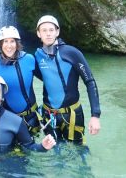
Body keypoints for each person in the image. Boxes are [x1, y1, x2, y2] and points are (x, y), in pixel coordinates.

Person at [35, 15, 101, 145]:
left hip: (72, 114)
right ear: (38, 33)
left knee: (79, 151)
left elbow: (90, 82)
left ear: (57, 32)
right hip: (49, 114)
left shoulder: (71, 53)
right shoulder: (37, 56)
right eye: (44, 30)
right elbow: (44, 78)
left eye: (51, 30)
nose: (48, 34)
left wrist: (95, 116)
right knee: (55, 151)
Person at [0, 26, 40, 134]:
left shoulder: (29, 59)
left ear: (17, 43)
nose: (9, 45)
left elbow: (47, 79)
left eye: (12, 41)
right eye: (5, 41)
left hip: (30, 117)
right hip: (6, 118)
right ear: (0, 44)